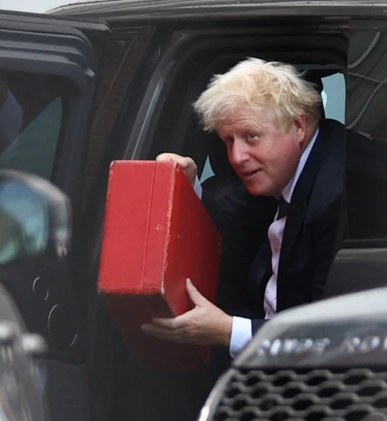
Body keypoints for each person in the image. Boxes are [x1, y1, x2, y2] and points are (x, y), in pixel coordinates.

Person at [141, 57, 346, 357]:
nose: (236, 157)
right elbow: (234, 213)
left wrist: (227, 330)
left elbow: (332, 338)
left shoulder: (334, 198)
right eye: (228, 140)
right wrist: (186, 192)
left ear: (298, 126)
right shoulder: (291, 170)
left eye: (251, 137)